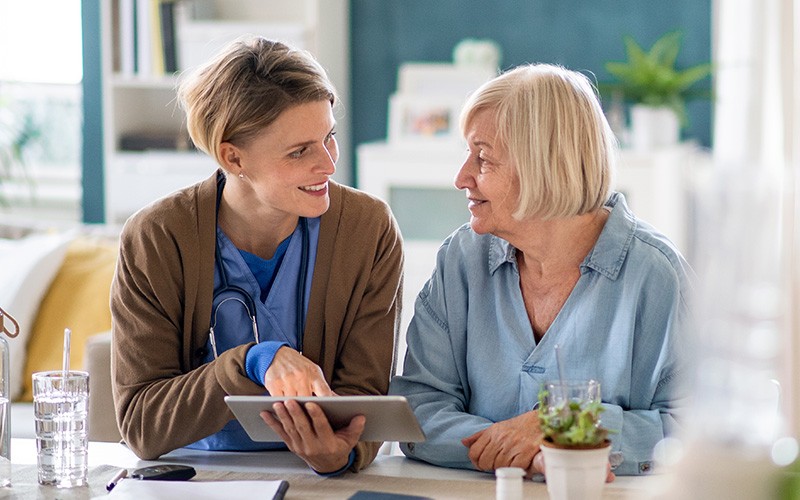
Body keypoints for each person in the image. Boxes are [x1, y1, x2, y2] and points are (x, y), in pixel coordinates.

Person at [110, 36, 404, 475]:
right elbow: (140, 423)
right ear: (233, 156)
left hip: (316, 481)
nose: (328, 164)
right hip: (195, 478)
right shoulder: (156, 238)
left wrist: (341, 453)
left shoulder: (368, 230)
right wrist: (252, 361)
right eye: (299, 151)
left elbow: (365, 400)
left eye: (330, 138)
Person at [389, 63, 693, 478]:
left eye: (483, 158)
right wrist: (532, 450)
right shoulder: (460, 259)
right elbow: (419, 408)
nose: (462, 177)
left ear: (544, 166)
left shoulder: (657, 277)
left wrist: (561, 425)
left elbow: (692, 430)